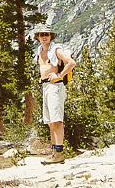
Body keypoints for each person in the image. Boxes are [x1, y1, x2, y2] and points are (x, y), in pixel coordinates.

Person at [33, 23, 76, 164]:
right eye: (41, 34)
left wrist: (59, 75)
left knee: (57, 120)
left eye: (47, 34)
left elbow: (71, 63)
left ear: (51, 36)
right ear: (38, 37)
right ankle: (54, 152)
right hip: (46, 87)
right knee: (50, 122)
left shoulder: (56, 50)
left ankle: (59, 154)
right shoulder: (40, 51)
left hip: (55, 87)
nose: (44, 37)